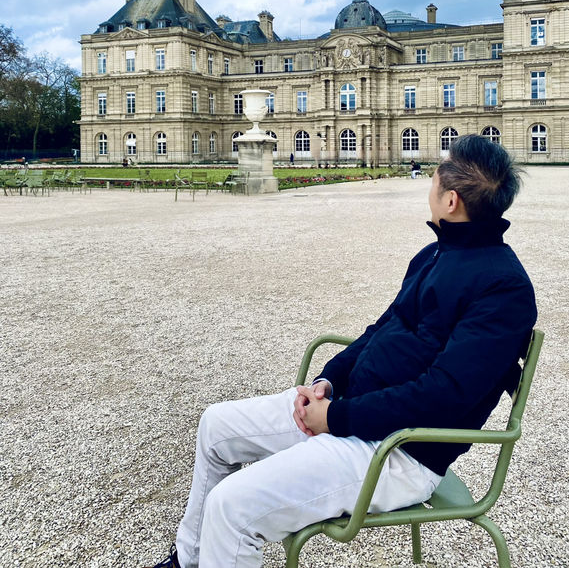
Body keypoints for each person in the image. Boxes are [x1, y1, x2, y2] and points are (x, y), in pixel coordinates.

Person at [145, 134, 537, 568]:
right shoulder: (435, 254)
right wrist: (326, 382)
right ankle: (191, 557)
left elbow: (443, 396)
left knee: (231, 506)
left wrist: (334, 418)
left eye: (436, 175)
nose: (430, 180)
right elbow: (380, 330)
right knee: (216, 427)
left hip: (401, 452)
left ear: (451, 201)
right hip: (355, 413)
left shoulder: (505, 288)